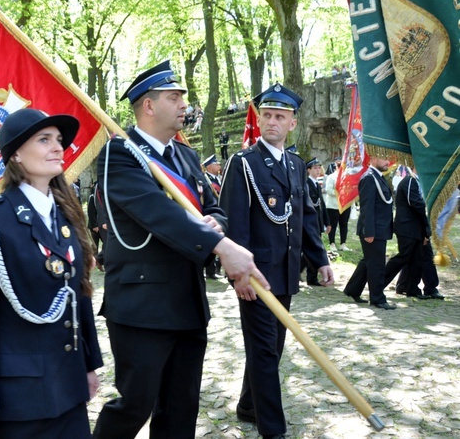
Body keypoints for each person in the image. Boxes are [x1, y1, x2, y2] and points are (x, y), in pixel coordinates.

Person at [92, 61, 267, 439]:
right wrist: (221, 246)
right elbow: (159, 214)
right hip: (142, 306)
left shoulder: (187, 157)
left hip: (187, 301)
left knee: (181, 406)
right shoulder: (119, 155)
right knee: (134, 404)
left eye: (183, 97)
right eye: (174, 97)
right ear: (149, 106)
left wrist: (217, 223)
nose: (184, 104)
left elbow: (210, 205)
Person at [0, 108, 103, 439]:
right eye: (44, 139)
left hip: (69, 386)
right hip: (20, 398)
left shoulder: (65, 216)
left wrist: (89, 364)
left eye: (59, 140)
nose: (57, 147)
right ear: (17, 154)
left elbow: (78, 295)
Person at [219, 82, 333, 439]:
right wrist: (239, 275)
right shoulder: (244, 164)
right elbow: (234, 221)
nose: (271, 122)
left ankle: (248, 405)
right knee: (265, 352)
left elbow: (305, 218)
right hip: (255, 276)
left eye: (279, 116)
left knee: (273, 348)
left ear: (292, 123)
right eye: (266, 115)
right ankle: (273, 430)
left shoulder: (297, 166)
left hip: (286, 274)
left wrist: (320, 260)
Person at [342, 156, 396, 309]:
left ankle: (353, 289)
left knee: (368, 261)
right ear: (373, 160)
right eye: (384, 159)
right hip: (374, 230)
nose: (388, 162)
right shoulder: (369, 178)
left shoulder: (377, 177)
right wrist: (369, 232)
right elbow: (367, 207)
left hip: (379, 228)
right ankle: (378, 298)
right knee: (376, 264)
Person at [383, 168, 444, 300]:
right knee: (405, 256)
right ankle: (379, 282)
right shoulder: (410, 181)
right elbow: (417, 204)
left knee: (417, 257)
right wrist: (426, 229)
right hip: (408, 227)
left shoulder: (416, 181)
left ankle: (410, 287)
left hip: (415, 227)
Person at [302, 158, 331, 286]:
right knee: (311, 249)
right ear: (308, 170)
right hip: (309, 223)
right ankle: (311, 277)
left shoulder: (316, 184)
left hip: (317, 222)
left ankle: (309, 276)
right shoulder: (306, 184)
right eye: (315, 168)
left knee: (312, 249)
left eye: (319, 167)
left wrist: (327, 222)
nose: (318, 170)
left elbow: (322, 206)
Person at [324, 162, 352, 252]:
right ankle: (332, 243)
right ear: (336, 167)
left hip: (345, 205)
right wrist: (340, 193)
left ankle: (343, 243)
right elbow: (328, 190)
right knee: (333, 225)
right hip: (333, 205)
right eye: (340, 167)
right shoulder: (331, 177)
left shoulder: (348, 177)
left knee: (344, 224)